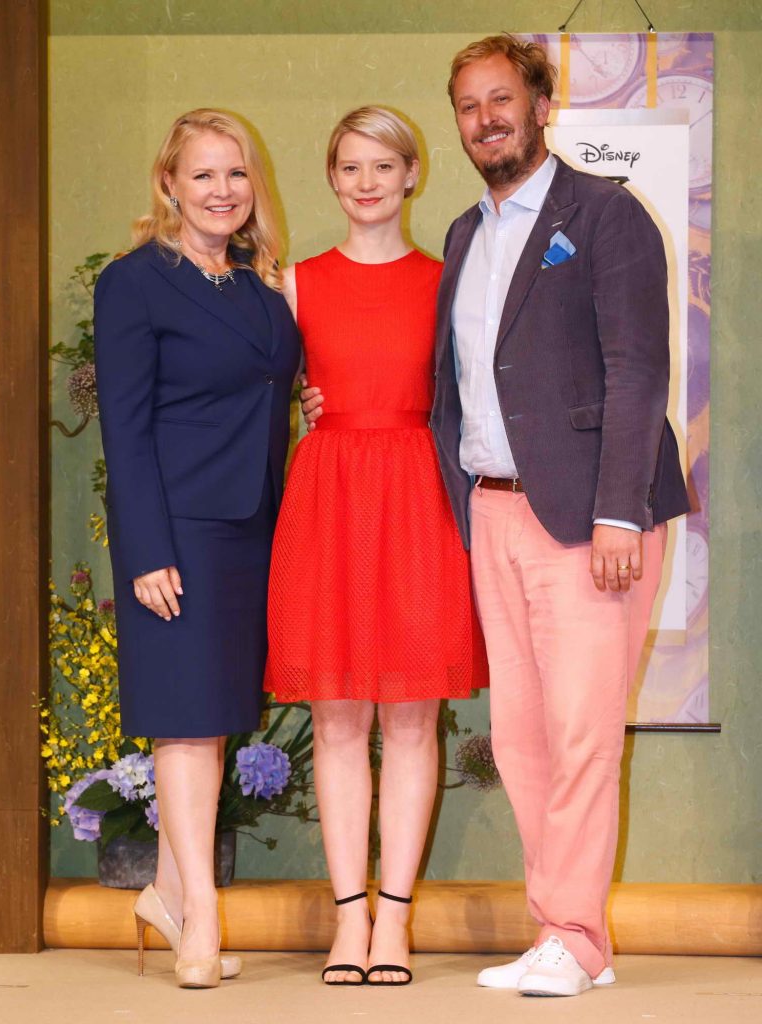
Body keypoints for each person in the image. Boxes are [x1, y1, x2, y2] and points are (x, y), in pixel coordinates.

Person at [302, 35, 690, 997]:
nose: (487, 118)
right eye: (468, 104)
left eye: (501, 99)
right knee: (519, 738)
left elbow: (640, 371)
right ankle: (565, 930)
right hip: (491, 515)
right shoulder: (468, 238)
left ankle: (576, 936)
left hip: (588, 518)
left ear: (542, 103)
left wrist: (618, 515)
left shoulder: (605, 213)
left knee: (582, 735)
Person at [266, 106, 486, 987]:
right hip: (328, 501)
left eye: (381, 165)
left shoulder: (448, 281)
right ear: (332, 178)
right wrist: (300, 408)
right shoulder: (295, 281)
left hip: (418, 499)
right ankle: (346, 920)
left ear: (411, 175)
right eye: (349, 166)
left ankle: (394, 921)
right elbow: (252, 396)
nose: (365, 182)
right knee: (337, 719)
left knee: (412, 718)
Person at [94, 108, 300, 989]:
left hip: (253, 524)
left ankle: (168, 893)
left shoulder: (259, 286)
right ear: (169, 184)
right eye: (204, 174)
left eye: (236, 174)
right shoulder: (135, 281)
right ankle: (200, 920)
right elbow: (124, 426)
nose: (223, 191)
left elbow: (275, 383)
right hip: (175, 530)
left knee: (216, 715)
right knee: (185, 718)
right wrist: (144, 549)